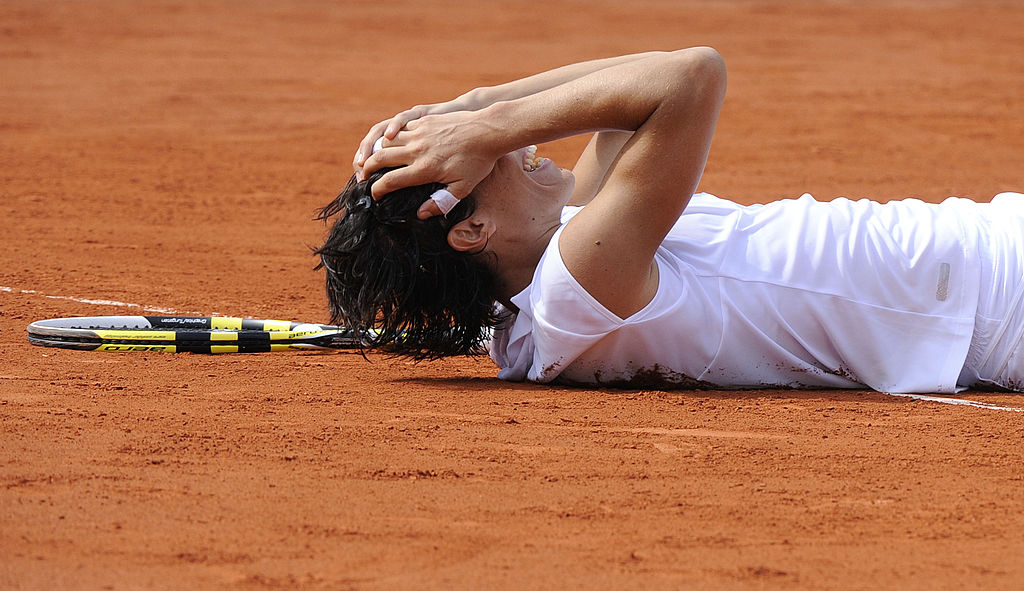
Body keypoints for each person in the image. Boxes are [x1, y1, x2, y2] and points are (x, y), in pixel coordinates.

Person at [316, 48, 1024, 394]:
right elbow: (690, 75)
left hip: (985, 249)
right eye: (485, 160)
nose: (519, 146)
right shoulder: (574, 289)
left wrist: (475, 109)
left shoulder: (564, 253)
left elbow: (626, 101)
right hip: (996, 304)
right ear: (470, 231)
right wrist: (490, 123)